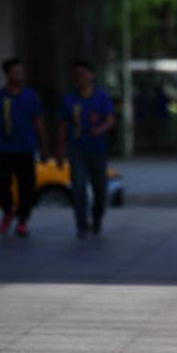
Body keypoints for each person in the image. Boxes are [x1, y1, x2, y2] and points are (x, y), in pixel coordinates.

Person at [0, 57, 48, 237]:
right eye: (15, 73)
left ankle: (22, 221)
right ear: (6, 74)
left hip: (26, 149)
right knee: (1, 185)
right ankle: (7, 211)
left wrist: (43, 147)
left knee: (27, 188)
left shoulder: (31, 96)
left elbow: (39, 123)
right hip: (4, 149)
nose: (19, 76)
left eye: (21, 72)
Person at [57, 60, 116, 239]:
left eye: (83, 73)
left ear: (91, 75)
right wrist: (59, 150)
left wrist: (101, 129)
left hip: (97, 149)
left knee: (100, 190)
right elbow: (62, 126)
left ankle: (96, 218)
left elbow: (111, 120)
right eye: (76, 74)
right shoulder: (69, 99)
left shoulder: (101, 97)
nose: (79, 77)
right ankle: (81, 225)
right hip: (76, 149)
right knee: (78, 186)